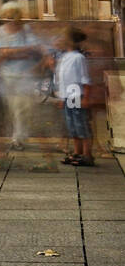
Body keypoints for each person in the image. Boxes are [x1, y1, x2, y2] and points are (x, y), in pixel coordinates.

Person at [0, 1, 44, 151]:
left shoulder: (26, 29)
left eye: (14, 15)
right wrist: (22, 51)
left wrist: (11, 52)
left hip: (25, 75)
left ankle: (20, 136)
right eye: (8, 16)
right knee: (14, 108)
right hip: (8, 76)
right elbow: (2, 53)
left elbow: (35, 48)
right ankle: (17, 137)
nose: (11, 18)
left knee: (26, 107)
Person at [55, 28, 92, 167]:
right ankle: (77, 152)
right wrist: (61, 97)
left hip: (75, 94)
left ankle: (87, 154)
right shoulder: (65, 57)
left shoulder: (78, 58)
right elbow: (63, 79)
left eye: (63, 37)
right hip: (67, 96)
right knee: (72, 125)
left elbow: (85, 79)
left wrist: (86, 98)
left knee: (80, 124)